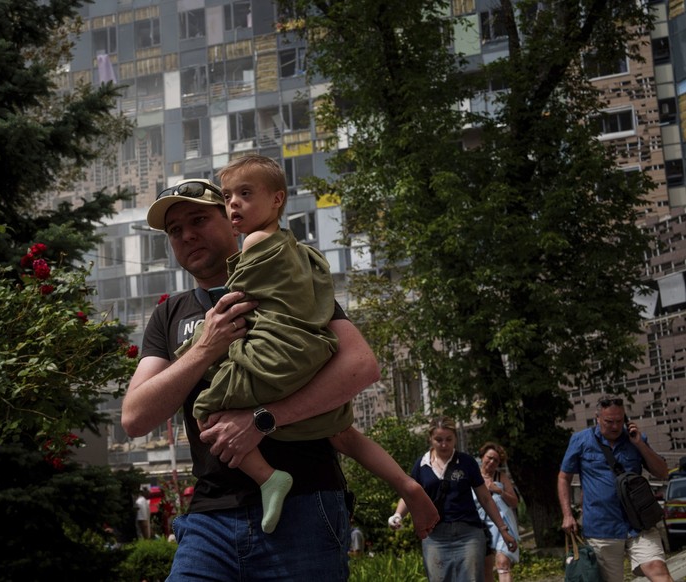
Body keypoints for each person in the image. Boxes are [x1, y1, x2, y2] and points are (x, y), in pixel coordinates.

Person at [122, 175, 380, 581]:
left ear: (231, 218)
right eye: (175, 231)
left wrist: (264, 419)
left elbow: (361, 366)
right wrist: (205, 348)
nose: (187, 235)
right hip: (209, 518)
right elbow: (135, 417)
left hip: (304, 504)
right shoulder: (168, 314)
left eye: (198, 220)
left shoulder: (285, 282)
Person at [177, 154, 439, 535]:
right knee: (341, 428)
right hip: (312, 351)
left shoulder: (253, 243)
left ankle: (269, 478)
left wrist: (197, 346)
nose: (234, 203)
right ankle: (408, 483)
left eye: (245, 194)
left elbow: (239, 306)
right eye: (229, 196)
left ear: (277, 199)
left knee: (205, 407)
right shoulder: (296, 251)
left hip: (275, 355)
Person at [558, 394, 673, 582]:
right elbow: (564, 477)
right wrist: (567, 514)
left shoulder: (635, 439)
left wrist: (640, 445)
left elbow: (662, 473)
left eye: (619, 421)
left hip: (640, 524)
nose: (615, 426)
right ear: (597, 418)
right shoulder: (580, 441)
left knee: (658, 570)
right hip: (602, 528)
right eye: (609, 421)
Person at [389, 416, 518, 582]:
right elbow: (410, 495)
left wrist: (503, 530)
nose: (444, 444)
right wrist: (398, 515)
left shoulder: (466, 462)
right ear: (430, 439)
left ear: (455, 438)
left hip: (468, 534)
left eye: (449, 439)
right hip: (435, 536)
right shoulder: (421, 465)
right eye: (439, 440)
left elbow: (485, 498)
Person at [473, 442, 520, 582]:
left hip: (503, 524)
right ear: (482, 456)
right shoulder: (472, 476)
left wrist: (500, 491)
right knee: (486, 569)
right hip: (481, 525)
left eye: (496, 460)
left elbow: (514, 502)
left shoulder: (501, 477)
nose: (492, 462)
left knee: (502, 562)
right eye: (489, 457)